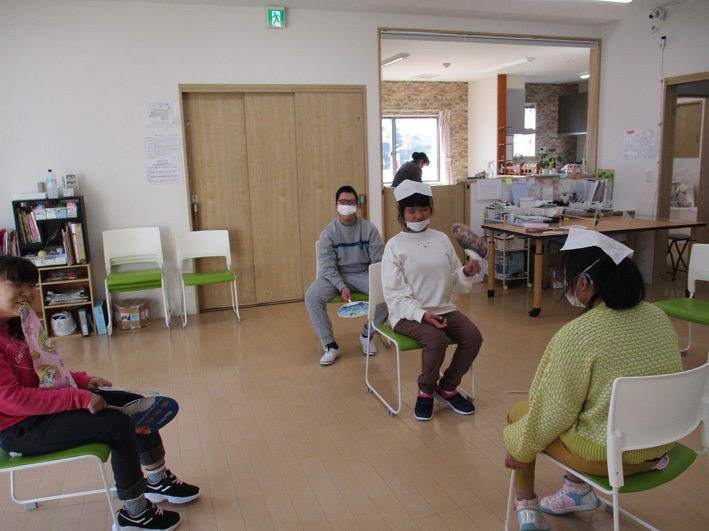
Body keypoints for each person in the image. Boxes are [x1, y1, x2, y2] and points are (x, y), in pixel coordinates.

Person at [0, 256, 200, 531]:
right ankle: (135, 513)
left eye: (32, 285)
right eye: (17, 284)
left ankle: (157, 479)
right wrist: (78, 397)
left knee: (136, 404)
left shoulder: (21, 324)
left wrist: (83, 381)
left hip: (42, 410)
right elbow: (12, 400)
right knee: (118, 425)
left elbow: (47, 371)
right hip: (20, 429)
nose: (28, 292)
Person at [503, 229, 683, 531]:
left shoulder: (579, 334)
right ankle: (577, 492)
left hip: (611, 458)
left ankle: (527, 508)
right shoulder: (658, 316)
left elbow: (552, 411)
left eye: (567, 279)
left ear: (584, 282)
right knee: (587, 405)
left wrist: (519, 448)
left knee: (521, 415)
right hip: (660, 445)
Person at [381, 180, 483, 421]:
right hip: (407, 315)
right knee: (436, 340)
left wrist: (466, 272)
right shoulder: (394, 246)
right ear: (402, 213)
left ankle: (446, 388)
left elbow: (453, 280)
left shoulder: (441, 239)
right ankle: (426, 391)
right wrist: (421, 314)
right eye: (411, 210)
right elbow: (394, 294)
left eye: (424, 209)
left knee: (473, 337)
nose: (419, 215)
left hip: (443, 309)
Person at [305, 185, 387, 366]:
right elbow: (327, 267)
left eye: (351, 202)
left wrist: (377, 281)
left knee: (387, 291)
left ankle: (367, 334)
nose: (347, 205)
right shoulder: (329, 232)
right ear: (336, 205)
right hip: (335, 276)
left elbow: (378, 262)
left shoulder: (369, 229)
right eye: (343, 202)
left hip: (363, 274)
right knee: (312, 296)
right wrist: (341, 285)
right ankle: (330, 345)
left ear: (357, 206)